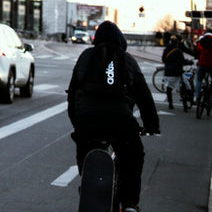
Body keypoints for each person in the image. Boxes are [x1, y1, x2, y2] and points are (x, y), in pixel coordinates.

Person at [67, 20, 159, 212]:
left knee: (85, 152)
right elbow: (144, 96)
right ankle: (130, 204)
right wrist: (151, 125)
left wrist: (77, 123)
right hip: (120, 120)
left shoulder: (86, 56)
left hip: (87, 119)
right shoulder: (126, 59)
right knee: (134, 155)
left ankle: (88, 185)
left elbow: (73, 93)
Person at [161, 34, 193, 109]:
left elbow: (163, 60)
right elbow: (183, 61)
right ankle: (186, 96)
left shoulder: (166, 49)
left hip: (167, 72)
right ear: (177, 42)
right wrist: (189, 62)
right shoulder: (178, 51)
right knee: (184, 84)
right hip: (177, 72)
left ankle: (170, 103)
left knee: (169, 88)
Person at [194, 32, 212, 105]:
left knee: (198, 80)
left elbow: (197, 50)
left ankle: (197, 97)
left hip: (202, 64)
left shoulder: (201, 42)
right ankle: (210, 95)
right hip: (211, 65)